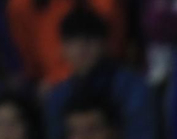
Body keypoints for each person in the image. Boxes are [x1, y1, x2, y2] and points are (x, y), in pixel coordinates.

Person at [42, 9, 155, 139]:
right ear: (62, 49)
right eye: (72, 42)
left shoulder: (131, 87)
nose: (81, 48)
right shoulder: (59, 96)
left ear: (105, 44)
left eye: (89, 40)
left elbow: (142, 133)